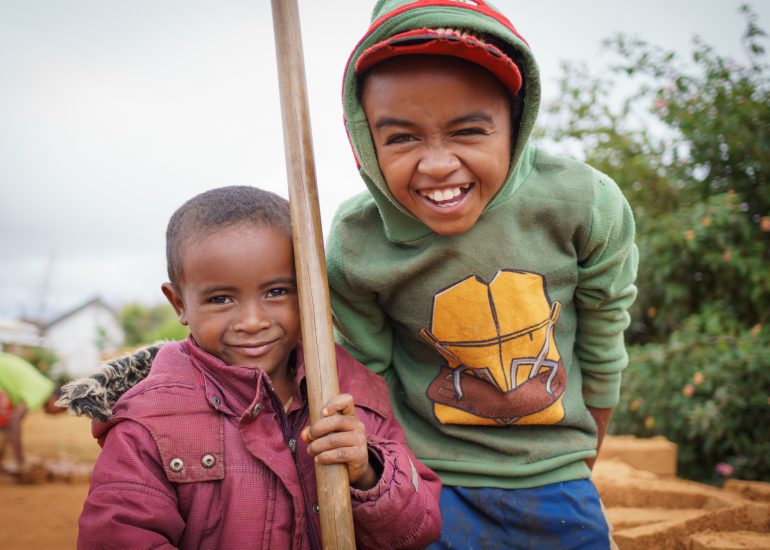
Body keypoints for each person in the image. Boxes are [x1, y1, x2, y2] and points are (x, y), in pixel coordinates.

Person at [325, 0, 638, 547]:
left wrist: (579, 465)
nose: (437, 164)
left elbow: (603, 342)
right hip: (427, 482)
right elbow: (364, 378)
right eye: (401, 138)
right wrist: (392, 482)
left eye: (468, 130)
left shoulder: (584, 205)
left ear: (516, 123)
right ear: (365, 138)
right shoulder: (358, 241)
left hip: (557, 478)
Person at [60, 186, 441, 549]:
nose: (253, 321)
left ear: (309, 289)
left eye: (277, 292)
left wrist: (367, 472)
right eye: (221, 299)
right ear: (179, 304)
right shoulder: (149, 418)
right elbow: (117, 537)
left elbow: (417, 530)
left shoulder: (351, 391)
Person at [0, 351, 66, 473]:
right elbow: (14, 422)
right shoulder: (40, 391)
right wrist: (21, 462)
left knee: (4, 423)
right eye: (61, 410)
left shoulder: (42, 385)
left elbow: (8, 426)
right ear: (55, 400)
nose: (57, 414)